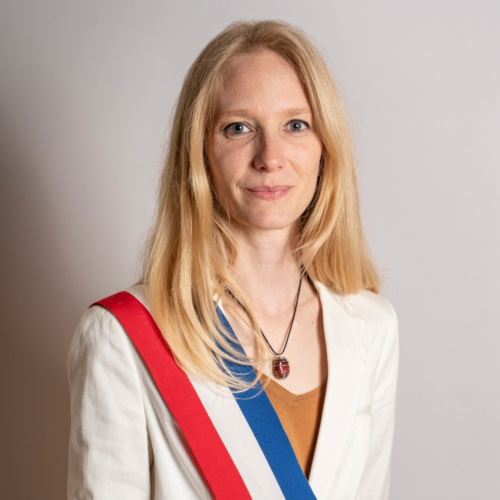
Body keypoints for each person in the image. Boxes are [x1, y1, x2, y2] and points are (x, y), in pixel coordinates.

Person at [67, 19, 399, 500]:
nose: (270, 157)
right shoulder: (122, 337)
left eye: (296, 125)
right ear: (200, 152)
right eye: (238, 128)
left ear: (325, 148)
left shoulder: (372, 326)